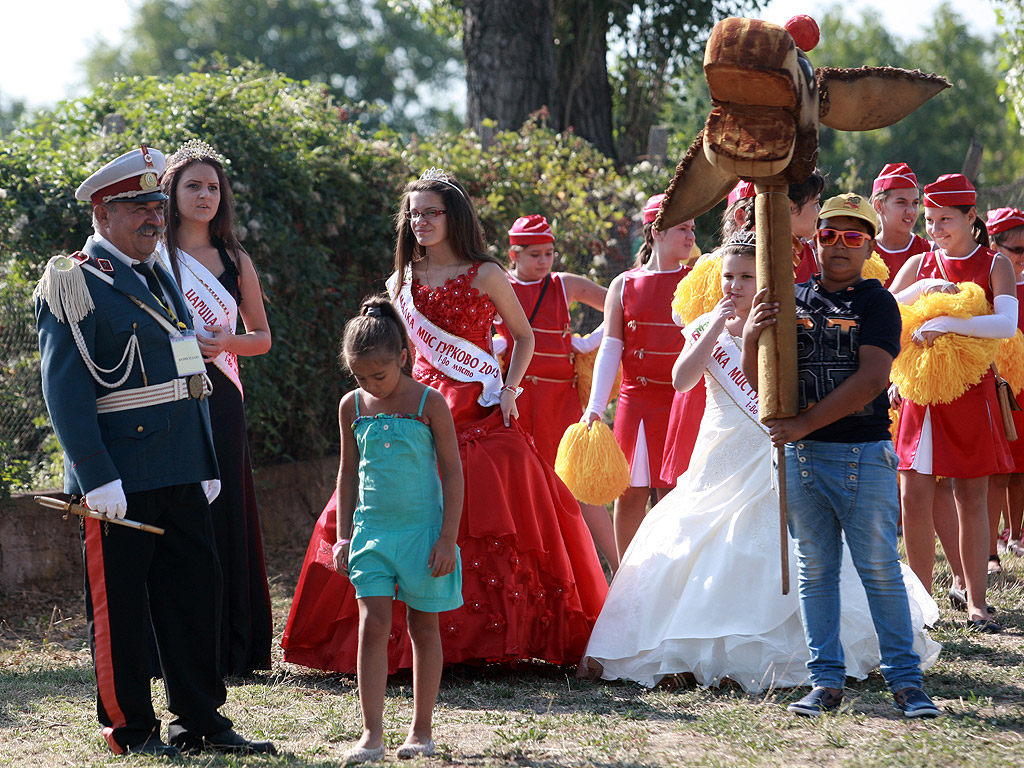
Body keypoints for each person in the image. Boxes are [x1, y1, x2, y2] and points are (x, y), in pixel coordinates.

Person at [282, 168, 608, 673]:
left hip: (478, 399)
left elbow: (524, 337)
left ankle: (490, 637)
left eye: (431, 212)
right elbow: (396, 349)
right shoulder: (401, 281)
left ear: (453, 216)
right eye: (413, 214)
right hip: (417, 399)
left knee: (500, 482)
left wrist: (511, 389)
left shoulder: (486, 273)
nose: (421, 222)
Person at [580, 236, 939, 692]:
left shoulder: (788, 323)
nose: (735, 284)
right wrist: (713, 326)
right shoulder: (703, 325)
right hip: (718, 453)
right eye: (729, 276)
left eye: (747, 277)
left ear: (766, 281)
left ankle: (808, 651)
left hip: (771, 448)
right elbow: (681, 380)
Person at [34, 146, 275, 757]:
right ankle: (131, 728)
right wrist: (94, 475)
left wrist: (205, 461)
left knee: (194, 595)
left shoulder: (159, 274)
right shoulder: (72, 283)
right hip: (119, 473)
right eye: (136, 206)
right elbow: (63, 390)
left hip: (181, 467)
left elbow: (190, 369)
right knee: (122, 613)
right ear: (101, 212)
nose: (152, 217)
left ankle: (200, 718)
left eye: (154, 205)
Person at [743, 192, 942, 718]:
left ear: (870, 246)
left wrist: (803, 422)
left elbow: (873, 378)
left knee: (878, 568)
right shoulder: (790, 297)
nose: (839, 245)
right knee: (816, 571)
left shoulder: (878, 302)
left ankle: (907, 684)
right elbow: (760, 374)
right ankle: (825, 682)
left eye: (854, 237)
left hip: (862, 452)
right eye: (830, 233)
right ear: (815, 238)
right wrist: (750, 333)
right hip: (803, 457)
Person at [159, 139, 274, 677]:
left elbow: (262, 338)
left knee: (224, 505)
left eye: (212, 187)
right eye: (193, 186)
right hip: (163, 393)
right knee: (173, 502)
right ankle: (174, 640)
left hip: (220, 394)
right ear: (171, 193)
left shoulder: (234, 259)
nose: (204, 196)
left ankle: (233, 642)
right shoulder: (151, 254)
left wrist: (225, 343)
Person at [332, 297, 462, 763]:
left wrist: (447, 537)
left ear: (403, 357)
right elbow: (348, 474)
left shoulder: (431, 403)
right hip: (371, 536)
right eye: (361, 377)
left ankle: (421, 731)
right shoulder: (352, 406)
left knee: (423, 626)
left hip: (423, 538)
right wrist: (345, 535)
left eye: (378, 376)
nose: (370, 385)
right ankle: (371, 734)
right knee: (373, 625)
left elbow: (453, 473)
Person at [889, 175, 1016, 632]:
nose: (936, 228)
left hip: (970, 393)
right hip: (920, 393)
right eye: (930, 219)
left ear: (971, 217)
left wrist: (948, 321)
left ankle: (976, 603)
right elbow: (884, 310)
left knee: (971, 495)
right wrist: (923, 291)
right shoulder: (919, 265)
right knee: (914, 495)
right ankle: (920, 602)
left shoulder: (993, 263)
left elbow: (1005, 325)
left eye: (946, 219)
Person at [494, 214, 616, 570]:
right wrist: (494, 344)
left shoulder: (564, 284)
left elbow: (621, 303)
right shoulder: (497, 284)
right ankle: (536, 568)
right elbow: (472, 328)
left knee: (577, 483)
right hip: (516, 401)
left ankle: (616, 565)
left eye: (549, 253)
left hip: (560, 403)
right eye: (535, 254)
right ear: (513, 254)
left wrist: (592, 340)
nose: (544, 261)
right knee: (522, 487)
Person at [585, 193, 695, 558]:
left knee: (672, 491)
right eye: (682, 227)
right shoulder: (623, 284)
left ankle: (672, 576)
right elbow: (611, 347)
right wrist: (595, 407)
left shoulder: (696, 281)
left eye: (692, 228)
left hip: (680, 402)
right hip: (636, 401)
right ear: (656, 232)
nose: (691, 235)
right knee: (629, 491)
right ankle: (622, 578)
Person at [985, 207, 1024, 567]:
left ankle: (1016, 534)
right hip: (997, 389)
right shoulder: (989, 281)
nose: (1023, 258)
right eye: (1018, 250)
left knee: (1019, 469)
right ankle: (990, 550)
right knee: (998, 471)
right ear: (994, 246)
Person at [870, 163, 931, 287]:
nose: (911, 211)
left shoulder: (930, 251)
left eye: (915, 203)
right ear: (879, 206)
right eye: (901, 202)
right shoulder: (864, 252)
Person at [789, 171, 825, 282]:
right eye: (815, 203)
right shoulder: (765, 255)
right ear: (791, 207)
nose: (820, 210)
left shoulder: (809, 249)